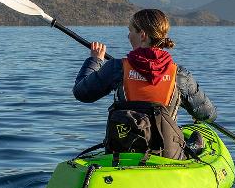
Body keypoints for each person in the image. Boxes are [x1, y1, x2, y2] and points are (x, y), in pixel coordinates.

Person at [73, 9, 216, 161]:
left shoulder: (116, 68)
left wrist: (95, 60)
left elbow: (81, 93)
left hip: (122, 150)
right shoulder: (180, 75)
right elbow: (208, 114)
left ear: (142, 35)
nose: (128, 36)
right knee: (196, 138)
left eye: (131, 31)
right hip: (167, 155)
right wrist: (192, 110)